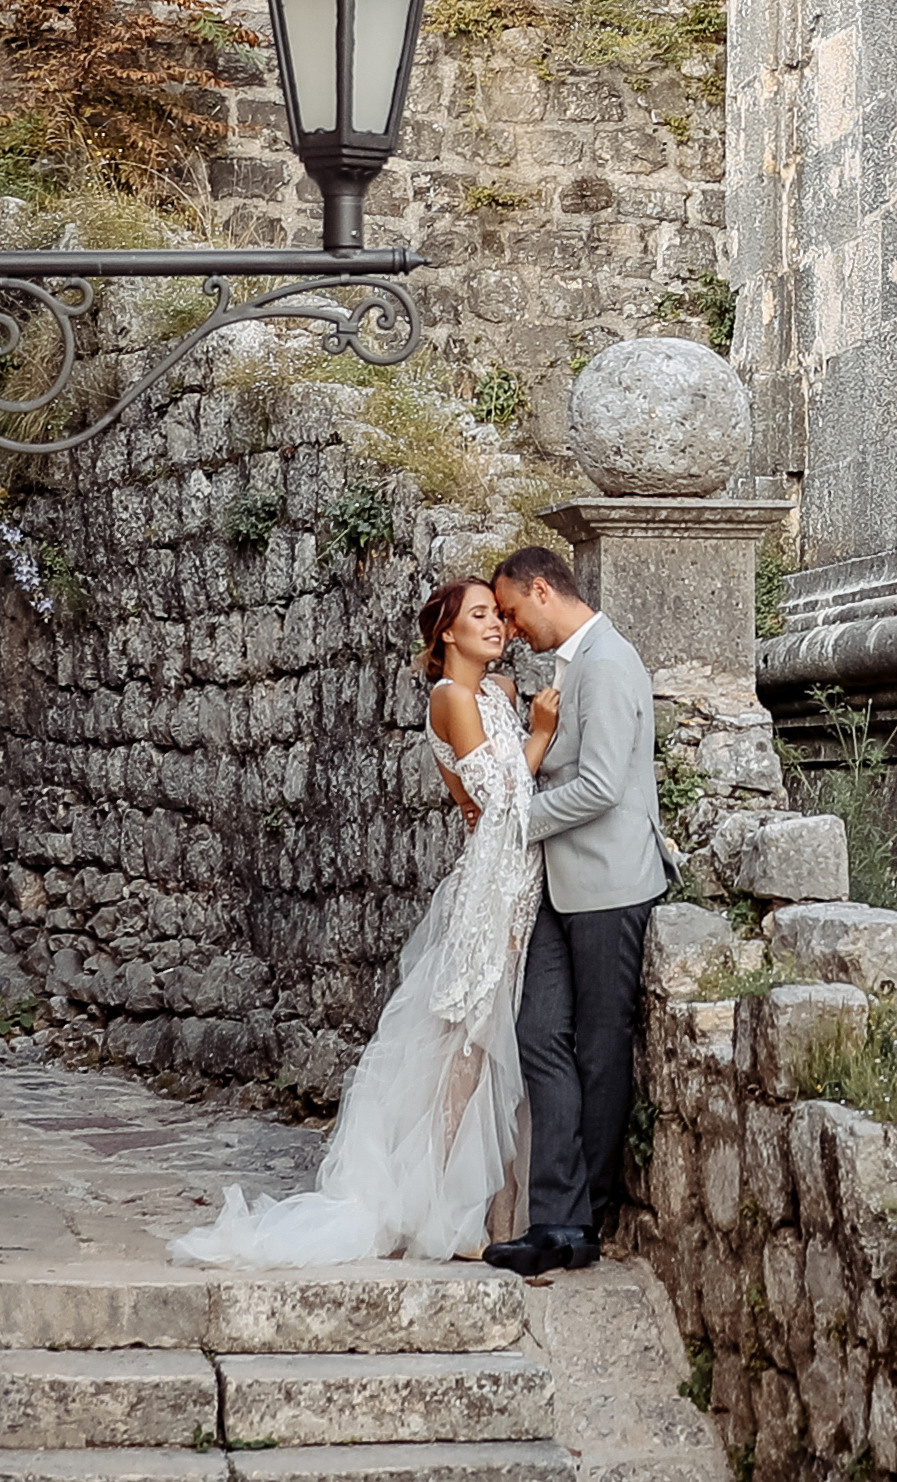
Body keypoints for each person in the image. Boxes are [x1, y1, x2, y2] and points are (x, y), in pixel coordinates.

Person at [168, 578, 561, 1267]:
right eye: (480, 616)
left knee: (506, 1045)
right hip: (491, 889)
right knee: (466, 1050)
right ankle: (445, 1213)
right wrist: (543, 735)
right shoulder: (452, 699)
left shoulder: (498, 694)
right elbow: (500, 801)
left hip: (520, 880)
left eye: (500, 615)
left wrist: (527, 730)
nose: (497, 626)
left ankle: (499, 1211)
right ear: (446, 633)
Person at [482, 546, 670, 1276]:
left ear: (541, 590)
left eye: (511, 610)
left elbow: (598, 787)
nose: (510, 626)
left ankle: (578, 1223)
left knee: (598, 1049)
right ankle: (555, 1217)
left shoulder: (610, 662)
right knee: (538, 1036)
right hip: (565, 885)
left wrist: (513, 818)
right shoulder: (574, 665)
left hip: (611, 885)